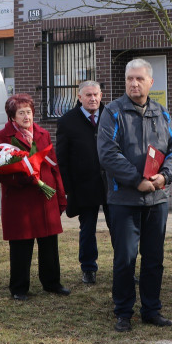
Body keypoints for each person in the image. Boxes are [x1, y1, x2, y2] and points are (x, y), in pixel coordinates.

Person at [98, 58, 172, 332]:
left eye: (139, 79)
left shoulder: (162, 113)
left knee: (154, 258)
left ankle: (151, 310)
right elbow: (108, 153)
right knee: (125, 259)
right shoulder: (112, 113)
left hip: (157, 200)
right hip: (124, 199)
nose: (133, 84)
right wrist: (136, 181)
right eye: (129, 79)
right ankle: (123, 312)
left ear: (151, 82)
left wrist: (164, 177)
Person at [0, 93, 68, 300]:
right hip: (20, 200)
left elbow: (54, 166)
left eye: (29, 112)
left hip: (45, 198)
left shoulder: (43, 134)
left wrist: (60, 195)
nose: (27, 117)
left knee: (49, 244)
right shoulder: (1, 137)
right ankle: (19, 288)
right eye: (21, 113)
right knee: (21, 245)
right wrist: (23, 178)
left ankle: (52, 283)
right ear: (12, 117)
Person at [56, 80, 109, 284]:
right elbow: (62, 158)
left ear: (101, 95)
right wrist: (68, 189)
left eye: (96, 94)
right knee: (88, 229)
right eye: (88, 95)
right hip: (84, 185)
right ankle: (88, 269)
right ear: (79, 97)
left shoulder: (112, 115)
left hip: (112, 184)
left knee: (119, 228)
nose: (93, 98)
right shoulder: (67, 121)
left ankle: (125, 268)